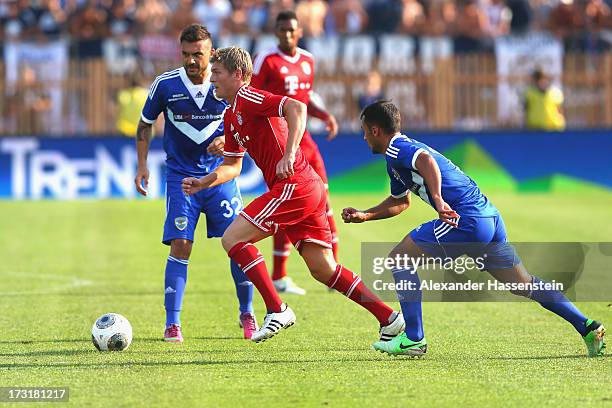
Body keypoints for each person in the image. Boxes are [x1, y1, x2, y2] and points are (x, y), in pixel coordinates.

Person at [342, 100, 606, 357]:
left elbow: (426, 161)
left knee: (399, 259)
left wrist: (438, 199)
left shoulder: (398, 148)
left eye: (364, 132)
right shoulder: (396, 159)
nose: (364, 138)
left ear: (375, 130)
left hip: (465, 219)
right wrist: (365, 215)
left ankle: (413, 339)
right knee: (523, 283)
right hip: (488, 218)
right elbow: (400, 202)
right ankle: (587, 326)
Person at [181, 47, 405, 344]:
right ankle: (389, 318)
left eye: (218, 73)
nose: (212, 79)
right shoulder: (232, 115)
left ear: (238, 75)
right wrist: (204, 182)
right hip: (305, 188)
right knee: (324, 269)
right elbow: (233, 166)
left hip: (294, 185)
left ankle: (277, 309)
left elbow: (296, 108)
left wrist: (288, 154)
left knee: (233, 238)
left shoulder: (249, 96)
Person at [135, 24, 257, 343]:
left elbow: (246, 123)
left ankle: (248, 314)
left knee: (239, 244)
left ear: (211, 53)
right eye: (186, 54)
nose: (191, 61)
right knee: (181, 245)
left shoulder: (225, 84)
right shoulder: (165, 85)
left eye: (198, 55)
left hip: (219, 178)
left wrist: (227, 141)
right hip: (183, 178)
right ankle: (172, 323)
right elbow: (144, 125)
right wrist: (142, 165)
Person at [251, 10, 339, 295]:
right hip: (281, 143)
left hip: (306, 141)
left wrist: (324, 115)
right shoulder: (267, 60)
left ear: (299, 31)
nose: (286, 34)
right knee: (286, 209)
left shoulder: (308, 60)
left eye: (291, 30)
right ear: (275, 32)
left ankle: (334, 268)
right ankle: (279, 276)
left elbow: (304, 99)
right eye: (281, 30)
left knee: (324, 200)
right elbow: (252, 97)